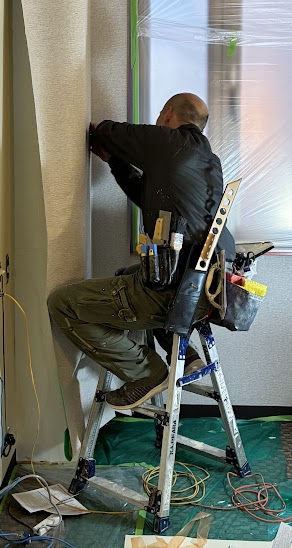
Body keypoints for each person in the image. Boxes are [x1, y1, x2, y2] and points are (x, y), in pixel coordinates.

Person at [47, 93, 235, 410]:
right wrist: (116, 162)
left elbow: (110, 132)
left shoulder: (171, 142)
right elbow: (145, 195)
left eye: (161, 115)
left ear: (168, 113)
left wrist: (93, 129)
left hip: (177, 292)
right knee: (129, 275)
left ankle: (147, 373)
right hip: (207, 290)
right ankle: (186, 354)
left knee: (62, 303)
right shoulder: (208, 162)